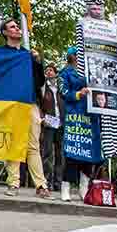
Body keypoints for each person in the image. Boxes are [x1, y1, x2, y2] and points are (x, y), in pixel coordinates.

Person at [74, 0, 117, 160]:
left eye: (100, 4)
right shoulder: (82, 24)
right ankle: (94, 167)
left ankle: (109, 158)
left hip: (111, 81)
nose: (97, 7)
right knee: (95, 128)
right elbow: (81, 50)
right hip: (93, 78)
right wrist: (82, 76)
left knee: (113, 120)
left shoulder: (112, 28)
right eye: (93, 4)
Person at [1, 18, 49, 198]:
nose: (17, 29)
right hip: (11, 104)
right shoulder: (0, 54)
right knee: (13, 144)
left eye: (17, 26)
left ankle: (41, 185)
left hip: (30, 104)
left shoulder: (28, 55)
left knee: (33, 146)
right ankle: (13, 183)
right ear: (5, 32)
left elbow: (39, 82)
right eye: (12, 27)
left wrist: (37, 62)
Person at [59, 48, 99, 201]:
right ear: (72, 57)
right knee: (73, 151)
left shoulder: (92, 70)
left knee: (89, 152)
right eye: (78, 55)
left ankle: (84, 188)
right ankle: (66, 186)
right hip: (75, 115)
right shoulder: (65, 72)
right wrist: (78, 94)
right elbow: (63, 92)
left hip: (91, 115)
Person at [40, 62, 65, 191]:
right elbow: (39, 103)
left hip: (61, 124)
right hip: (49, 124)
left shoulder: (61, 88)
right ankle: (47, 181)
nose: (49, 72)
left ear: (56, 73)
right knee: (48, 153)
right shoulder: (43, 87)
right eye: (47, 70)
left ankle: (58, 182)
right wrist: (42, 118)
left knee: (60, 154)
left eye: (51, 70)